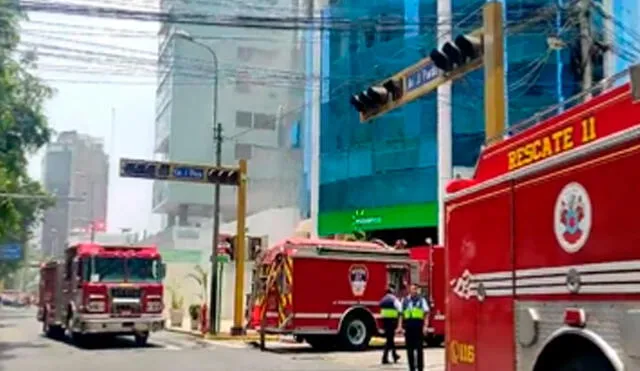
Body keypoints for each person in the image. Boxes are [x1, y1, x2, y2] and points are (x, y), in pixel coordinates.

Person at [397, 284, 430, 371]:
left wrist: (425, 326)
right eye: (412, 289)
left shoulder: (421, 300)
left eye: (415, 289)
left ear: (417, 290)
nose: (413, 291)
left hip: (418, 327)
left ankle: (420, 368)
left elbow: (426, 313)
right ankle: (411, 368)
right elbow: (401, 314)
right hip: (408, 327)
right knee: (409, 350)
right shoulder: (405, 300)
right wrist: (400, 326)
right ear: (409, 290)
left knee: (419, 349)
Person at [379, 286, 402, 364]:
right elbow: (400, 309)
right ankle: (384, 358)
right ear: (392, 292)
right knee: (389, 340)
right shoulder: (394, 299)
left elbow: (380, 307)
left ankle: (394, 355)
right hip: (392, 322)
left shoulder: (383, 299)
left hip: (385, 322)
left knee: (390, 339)